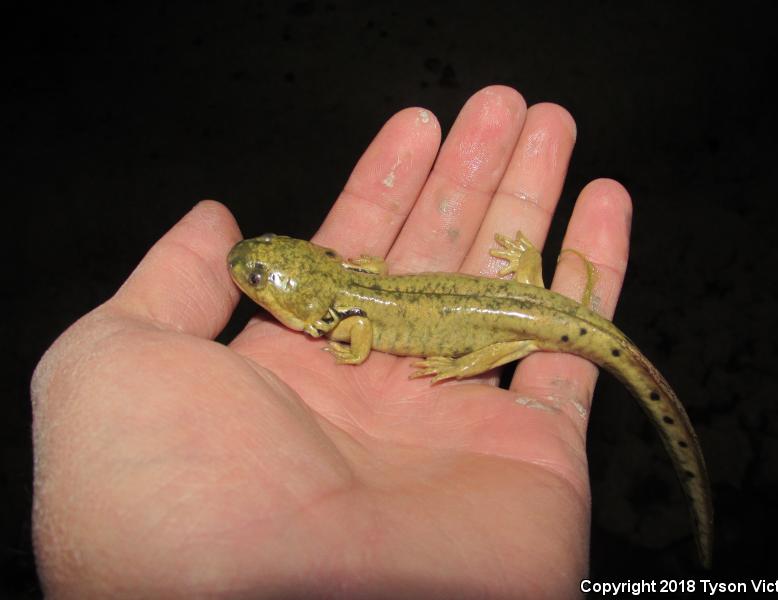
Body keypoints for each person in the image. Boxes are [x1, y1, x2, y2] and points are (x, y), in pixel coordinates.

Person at [31, 86, 632, 598]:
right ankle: (521, 287)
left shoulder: (349, 310)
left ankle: (487, 340)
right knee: (515, 317)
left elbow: (363, 331)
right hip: (524, 307)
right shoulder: (350, 285)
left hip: (518, 324)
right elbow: (364, 297)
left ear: (308, 285)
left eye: (262, 277)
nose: (248, 274)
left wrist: (405, 354)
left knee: (496, 340)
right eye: (262, 272)